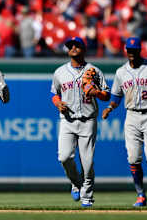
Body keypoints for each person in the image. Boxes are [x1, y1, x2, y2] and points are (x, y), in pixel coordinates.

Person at [101, 37, 147, 207]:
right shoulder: (121, 72)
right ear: (126, 50)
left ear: (140, 50)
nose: (131, 53)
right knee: (133, 158)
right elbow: (117, 95)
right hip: (131, 116)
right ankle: (141, 194)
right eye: (129, 50)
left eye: (134, 50)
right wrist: (110, 108)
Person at [51, 37, 110, 207]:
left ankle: (87, 197)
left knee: (87, 161)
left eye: (77, 45)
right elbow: (54, 92)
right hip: (67, 120)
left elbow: (107, 95)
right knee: (64, 157)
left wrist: (96, 93)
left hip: (88, 119)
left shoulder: (94, 71)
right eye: (71, 46)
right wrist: (57, 103)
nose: (73, 48)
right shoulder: (60, 72)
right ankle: (76, 183)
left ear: (84, 49)